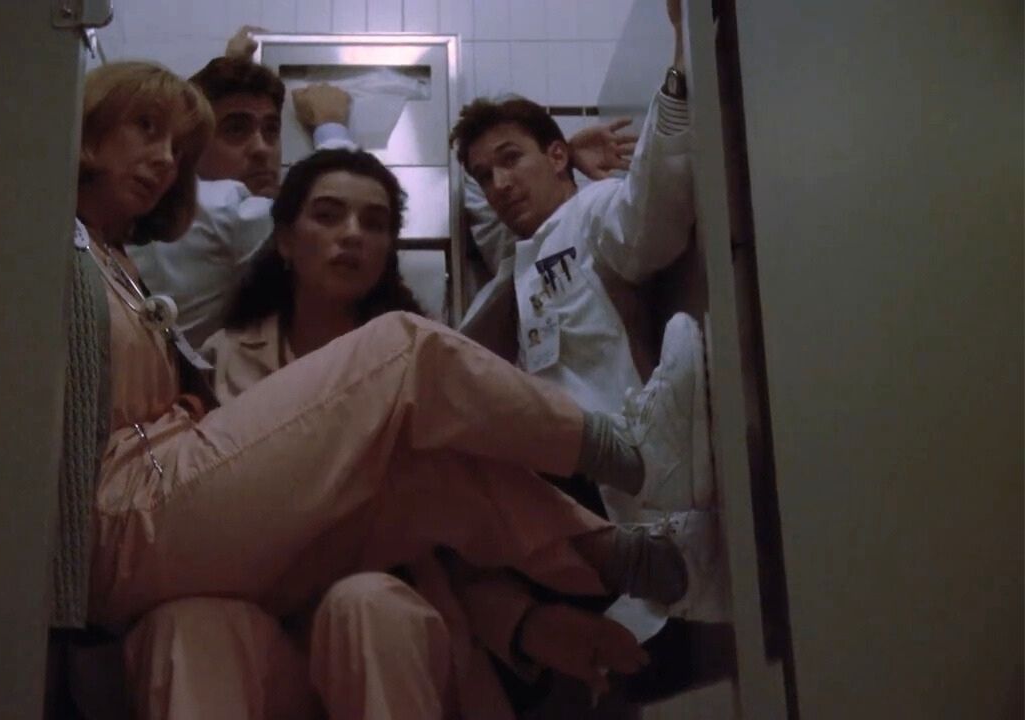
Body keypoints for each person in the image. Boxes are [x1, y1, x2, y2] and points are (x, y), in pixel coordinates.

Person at [56, 61, 711, 719]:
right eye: (327, 216)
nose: (351, 236)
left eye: (374, 223)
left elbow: (457, 526)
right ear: (280, 240)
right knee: (186, 630)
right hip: (187, 547)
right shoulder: (158, 305)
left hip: (346, 598)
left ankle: (648, 560)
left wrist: (525, 623)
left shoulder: (118, 263)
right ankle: (633, 455)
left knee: (366, 590)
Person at [450, 0, 728, 647]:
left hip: (640, 500)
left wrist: (681, 65)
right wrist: (560, 151)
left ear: (554, 158)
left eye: (511, 160)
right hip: (587, 524)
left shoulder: (593, 212)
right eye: (485, 175)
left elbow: (653, 213)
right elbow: (481, 205)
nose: (498, 184)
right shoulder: (517, 265)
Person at [127, 33, 359, 347]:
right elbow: (347, 202)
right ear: (191, 147)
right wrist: (330, 126)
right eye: (236, 129)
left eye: (271, 129)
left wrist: (231, 67)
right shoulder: (226, 208)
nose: (262, 149)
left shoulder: (162, 205)